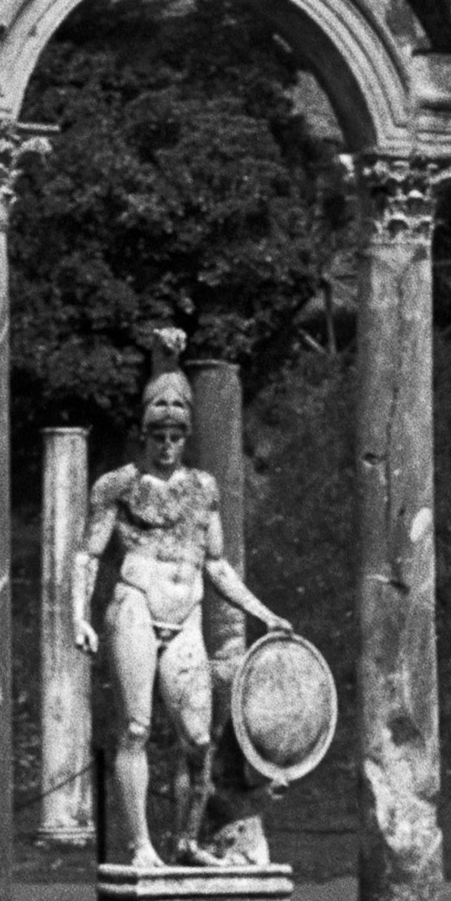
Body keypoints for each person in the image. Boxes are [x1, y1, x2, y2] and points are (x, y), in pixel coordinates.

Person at [76, 336, 291, 867]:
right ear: (144, 434)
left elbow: (217, 565)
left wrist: (263, 614)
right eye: (158, 435)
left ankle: (186, 841)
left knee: (196, 739)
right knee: (135, 728)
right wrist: (79, 616)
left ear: (186, 437)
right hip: (135, 606)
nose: (167, 445)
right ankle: (141, 846)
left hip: (186, 617)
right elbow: (87, 556)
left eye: (176, 436)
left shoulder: (203, 488)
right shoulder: (119, 486)